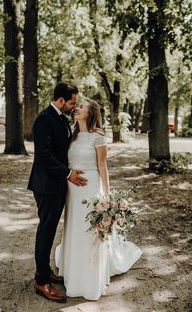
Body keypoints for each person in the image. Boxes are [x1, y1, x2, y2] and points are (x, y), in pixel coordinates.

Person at [55, 98, 142, 300]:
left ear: (91, 112)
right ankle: (73, 271)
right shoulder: (72, 135)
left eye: (81, 107)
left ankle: (90, 278)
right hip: (72, 190)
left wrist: (108, 195)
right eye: (77, 107)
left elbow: (103, 166)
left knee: (90, 232)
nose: (77, 109)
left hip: (92, 187)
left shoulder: (99, 137)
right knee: (75, 228)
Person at [28, 82, 87, 303]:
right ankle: (42, 282)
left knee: (51, 229)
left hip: (58, 185)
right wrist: (68, 174)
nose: (74, 106)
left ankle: (43, 270)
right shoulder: (44, 119)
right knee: (46, 230)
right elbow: (43, 155)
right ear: (61, 100)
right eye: (72, 102)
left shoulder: (62, 117)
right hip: (46, 186)